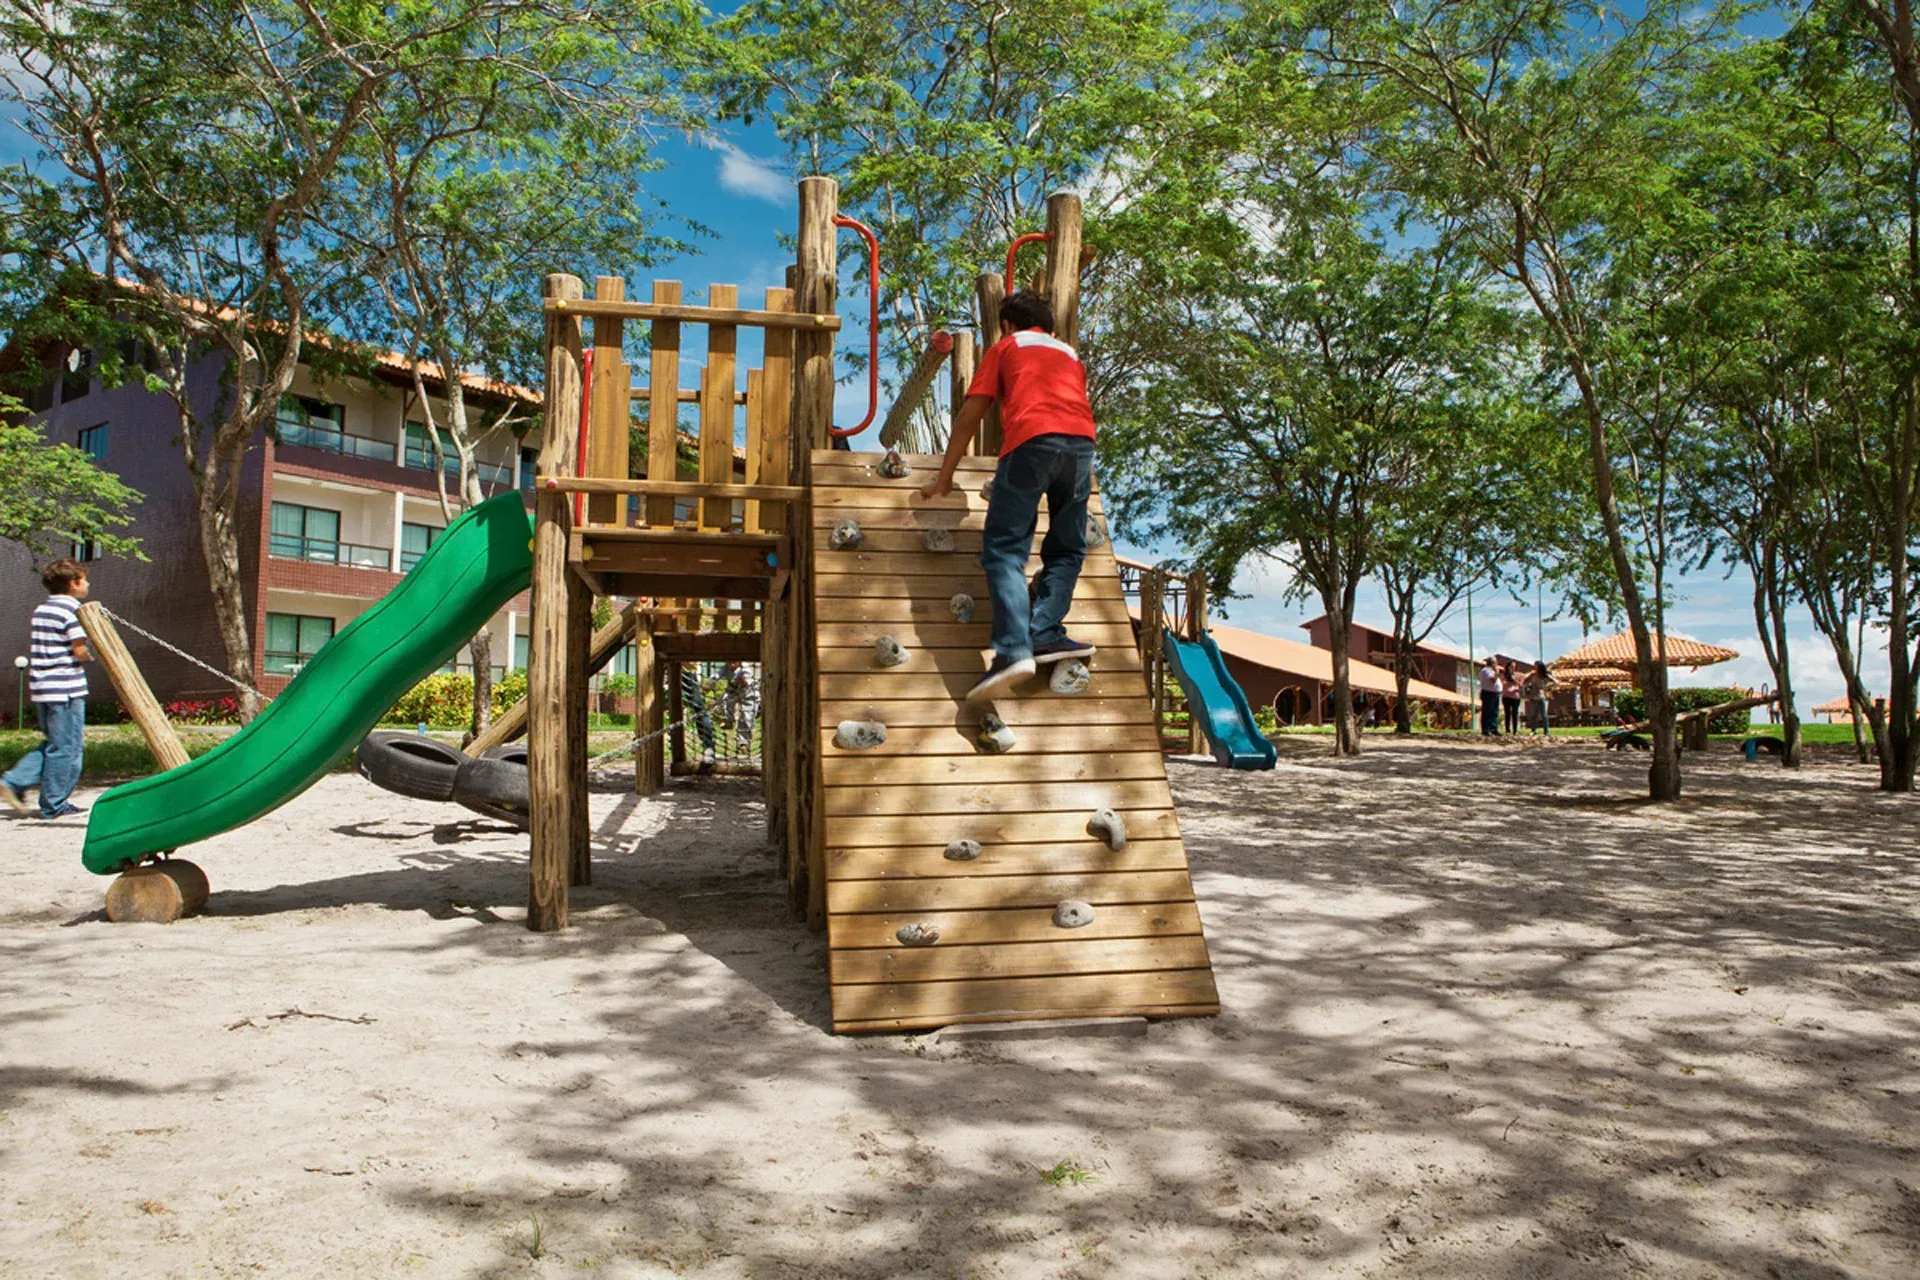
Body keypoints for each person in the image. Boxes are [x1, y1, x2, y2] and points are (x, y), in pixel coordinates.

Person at [917, 290, 1098, 701]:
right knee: (1068, 548)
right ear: (1049, 327)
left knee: (1004, 551)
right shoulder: (1069, 354)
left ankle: (1014, 650)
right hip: (1081, 447)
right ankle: (1045, 631)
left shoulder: (1007, 346)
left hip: (1032, 442)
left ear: (1007, 324)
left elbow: (968, 417)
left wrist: (944, 479)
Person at [2, 558, 93, 819]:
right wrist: (91, 655)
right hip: (66, 688)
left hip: (43, 687)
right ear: (74, 584)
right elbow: (79, 650)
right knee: (69, 748)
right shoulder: (74, 610)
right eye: (84, 579)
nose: (88, 583)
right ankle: (54, 804)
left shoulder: (42, 610)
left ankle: (14, 780)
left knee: (55, 743)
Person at [1522, 660, 1554, 735]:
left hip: (1541, 696)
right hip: (1533, 696)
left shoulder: (1544, 675)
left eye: (1536, 665)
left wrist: (1547, 687)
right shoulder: (1532, 675)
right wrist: (1527, 689)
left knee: (1543, 715)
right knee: (1534, 715)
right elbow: (1524, 682)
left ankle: (1546, 731)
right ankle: (1533, 730)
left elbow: (1555, 682)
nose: (1534, 667)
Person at [1477, 657, 1501, 736]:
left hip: (1495, 693)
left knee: (1494, 712)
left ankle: (1493, 728)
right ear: (1492, 663)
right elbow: (1493, 680)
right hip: (1488, 693)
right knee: (1488, 711)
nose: (1497, 664)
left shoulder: (1492, 671)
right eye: (1496, 663)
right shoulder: (1486, 670)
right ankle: (1486, 729)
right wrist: (1497, 672)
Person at [1500, 660, 1522, 735]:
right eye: (1511, 667)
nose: (1513, 668)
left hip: (1515, 696)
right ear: (1508, 667)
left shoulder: (1518, 675)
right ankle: (1507, 730)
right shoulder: (1504, 675)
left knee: (1515, 713)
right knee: (1507, 713)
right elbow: (1501, 683)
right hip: (1506, 696)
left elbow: (1521, 685)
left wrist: (1516, 681)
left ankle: (1515, 730)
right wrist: (1506, 681)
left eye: (1514, 667)